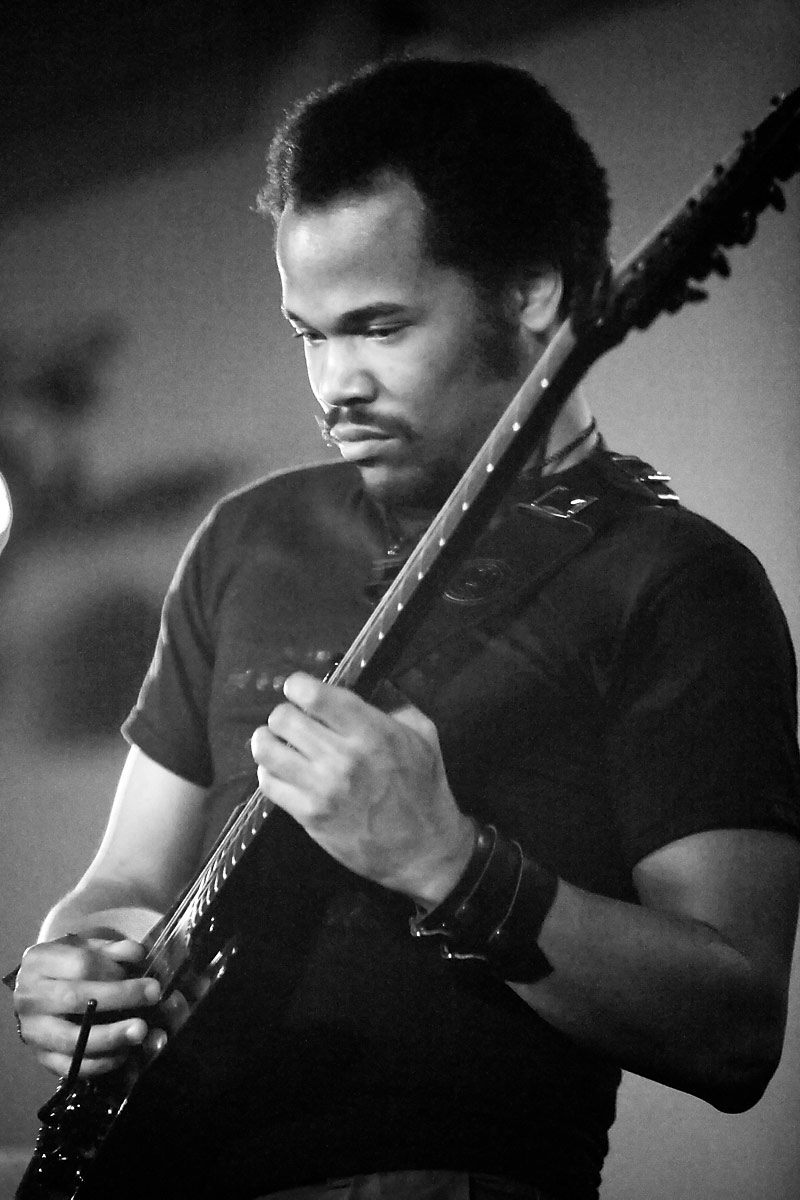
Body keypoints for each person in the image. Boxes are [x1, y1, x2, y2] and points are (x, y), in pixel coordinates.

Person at [8, 58, 800, 1200]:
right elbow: (122, 876)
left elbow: (734, 1029)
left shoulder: (678, 580)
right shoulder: (247, 536)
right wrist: (71, 967)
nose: (334, 383)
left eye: (377, 326)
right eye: (308, 333)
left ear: (532, 294)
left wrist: (447, 861)